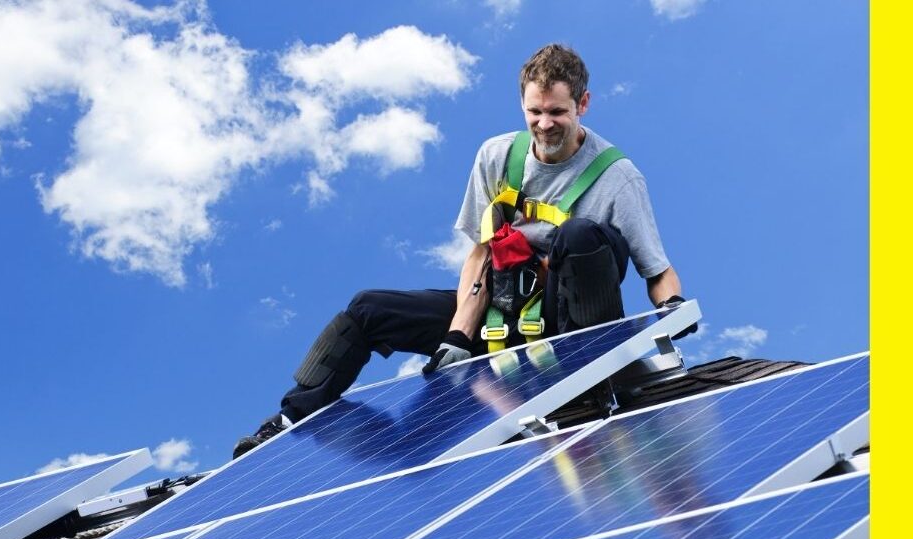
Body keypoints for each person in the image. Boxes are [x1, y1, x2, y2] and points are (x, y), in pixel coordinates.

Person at [233, 43, 690, 458]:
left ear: (582, 104)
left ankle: (589, 378)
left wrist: (671, 308)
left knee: (580, 235)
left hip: (565, 325)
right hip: (500, 314)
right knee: (368, 309)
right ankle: (288, 421)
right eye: (534, 112)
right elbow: (480, 251)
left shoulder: (617, 178)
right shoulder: (496, 157)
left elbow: (658, 272)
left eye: (557, 112)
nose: (544, 124)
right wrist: (457, 335)